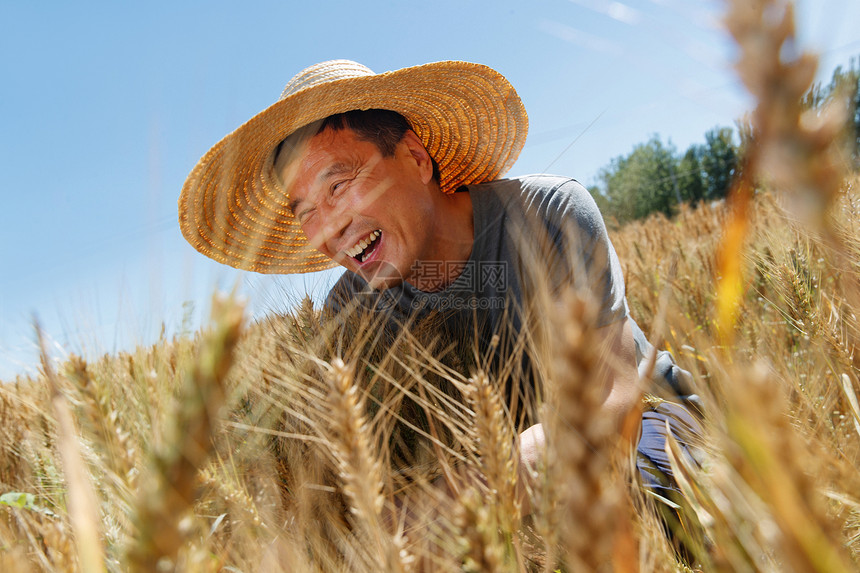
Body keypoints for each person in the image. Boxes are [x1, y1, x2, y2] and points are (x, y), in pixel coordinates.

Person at [178, 59, 702, 539]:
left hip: (649, 425)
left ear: (414, 156)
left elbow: (613, 398)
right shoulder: (348, 312)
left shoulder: (548, 213)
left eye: (337, 186)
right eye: (306, 211)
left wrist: (471, 498)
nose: (329, 227)